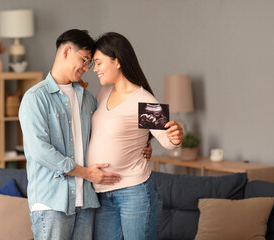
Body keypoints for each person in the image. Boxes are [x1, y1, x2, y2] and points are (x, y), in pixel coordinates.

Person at [19, 29, 152, 240]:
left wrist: (143, 144)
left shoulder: (89, 99)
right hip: (52, 203)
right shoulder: (35, 98)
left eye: (90, 63)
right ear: (66, 52)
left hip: (88, 202)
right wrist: (86, 173)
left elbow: (110, 130)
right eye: (84, 60)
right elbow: (40, 151)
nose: (86, 68)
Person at [87, 32, 184, 240]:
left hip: (134, 192)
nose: (94, 69)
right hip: (102, 193)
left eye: (99, 63)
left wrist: (177, 135)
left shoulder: (143, 99)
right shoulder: (103, 93)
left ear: (118, 61)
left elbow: (169, 141)